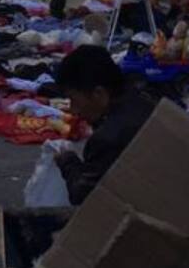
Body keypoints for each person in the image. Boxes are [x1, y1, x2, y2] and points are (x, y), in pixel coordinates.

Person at [53, 45, 156, 204]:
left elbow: (83, 196)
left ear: (99, 94)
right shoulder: (142, 97)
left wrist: (68, 161)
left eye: (74, 100)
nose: (73, 110)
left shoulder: (108, 138)